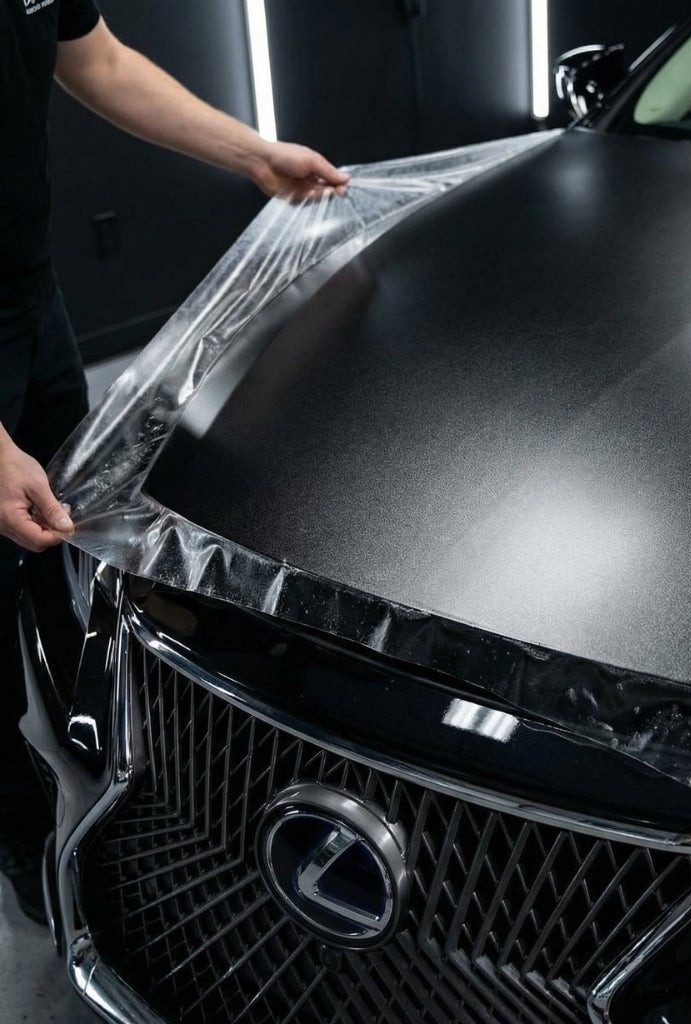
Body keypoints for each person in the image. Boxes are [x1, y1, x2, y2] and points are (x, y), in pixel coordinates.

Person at [0, 0, 349, 922]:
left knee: (62, 540)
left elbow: (98, 60)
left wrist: (251, 153)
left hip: (29, 298)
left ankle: (90, 759)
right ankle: (22, 831)